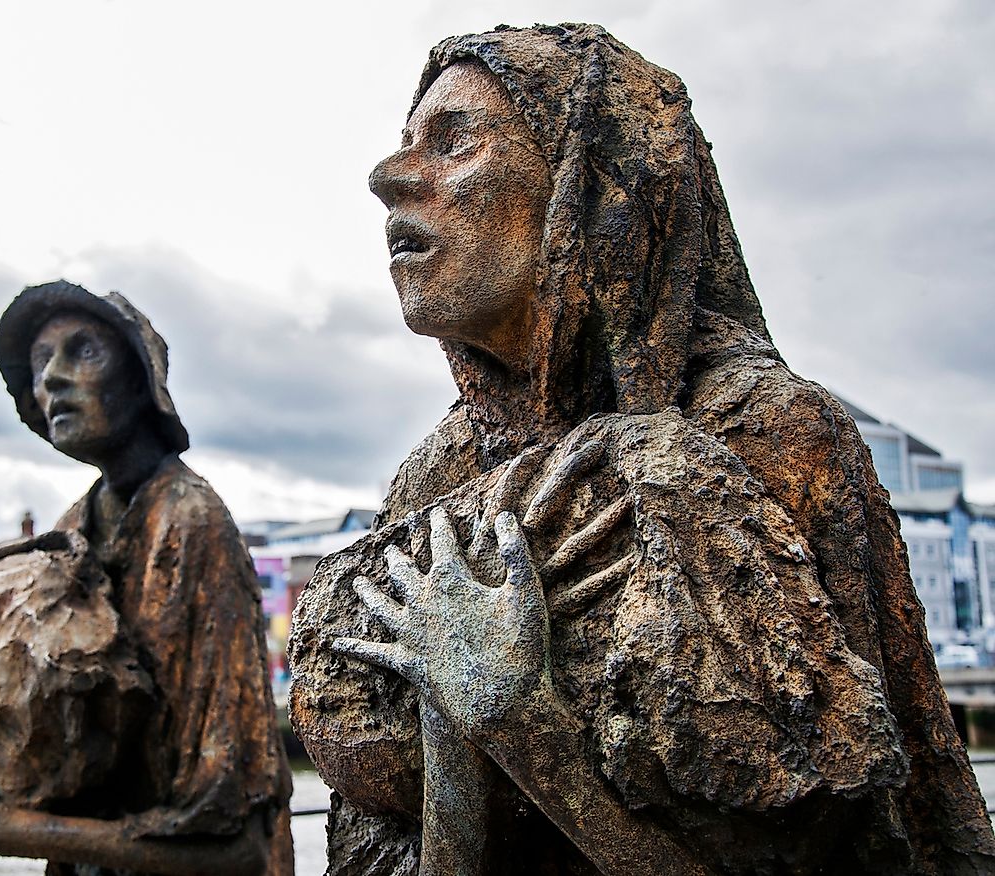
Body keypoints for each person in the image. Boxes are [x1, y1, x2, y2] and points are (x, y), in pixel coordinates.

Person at [288, 24, 995, 875]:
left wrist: (524, 726)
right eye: (409, 144)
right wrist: (451, 731)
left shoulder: (768, 434)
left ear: (595, 186)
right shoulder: (431, 483)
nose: (389, 178)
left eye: (455, 140)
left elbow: (870, 850)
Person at [0, 280, 293, 876]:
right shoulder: (72, 529)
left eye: (83, 351)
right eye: (41, 363)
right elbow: (66, 761)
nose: (52, 379)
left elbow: (239, 845)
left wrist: (5, 829)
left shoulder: (190, 524)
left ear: (142, 379)